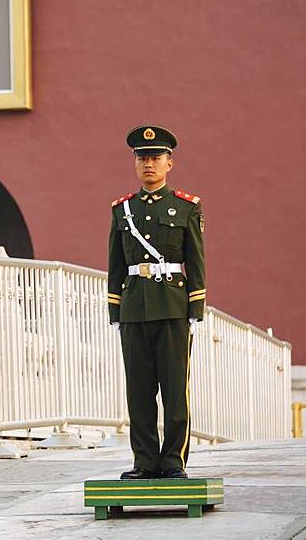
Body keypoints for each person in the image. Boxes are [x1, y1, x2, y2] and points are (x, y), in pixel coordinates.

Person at [108, 125, 206, 480]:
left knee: (174, 389)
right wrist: (115, 309)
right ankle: (145, 461)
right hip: (135, 309)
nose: (148, 164)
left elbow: (196, 260)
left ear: (169, 163)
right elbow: (116, 263)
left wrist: (195, 308)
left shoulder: (186, 207)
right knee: (140, 390)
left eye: (155, 158)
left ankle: (173, 460)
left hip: (173, 307)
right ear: (135, 164)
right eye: (142, 158)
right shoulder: (123, 210)